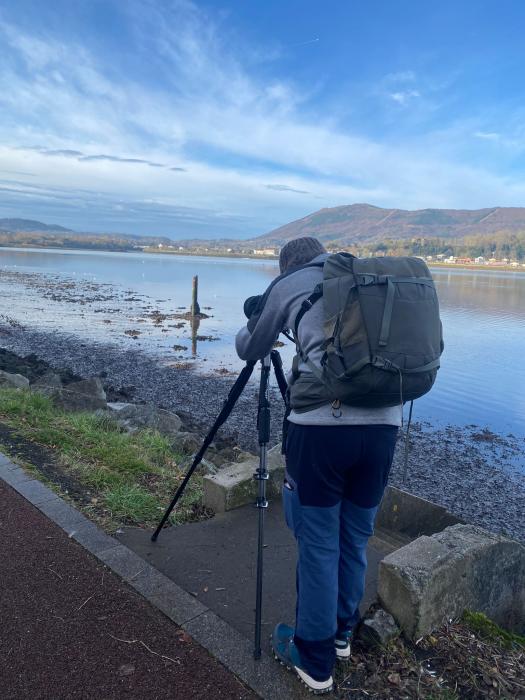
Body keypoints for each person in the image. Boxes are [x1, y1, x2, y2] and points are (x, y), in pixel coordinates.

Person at [235, 237, 402, 694]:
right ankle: (342, 635)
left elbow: (250, 347)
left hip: (322, 432)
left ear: (287, 264)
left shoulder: (290, 283)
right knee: (355, 537)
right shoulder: (368, 279)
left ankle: (313, 659)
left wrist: (254, 317)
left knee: (319, 543)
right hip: (384, 429)